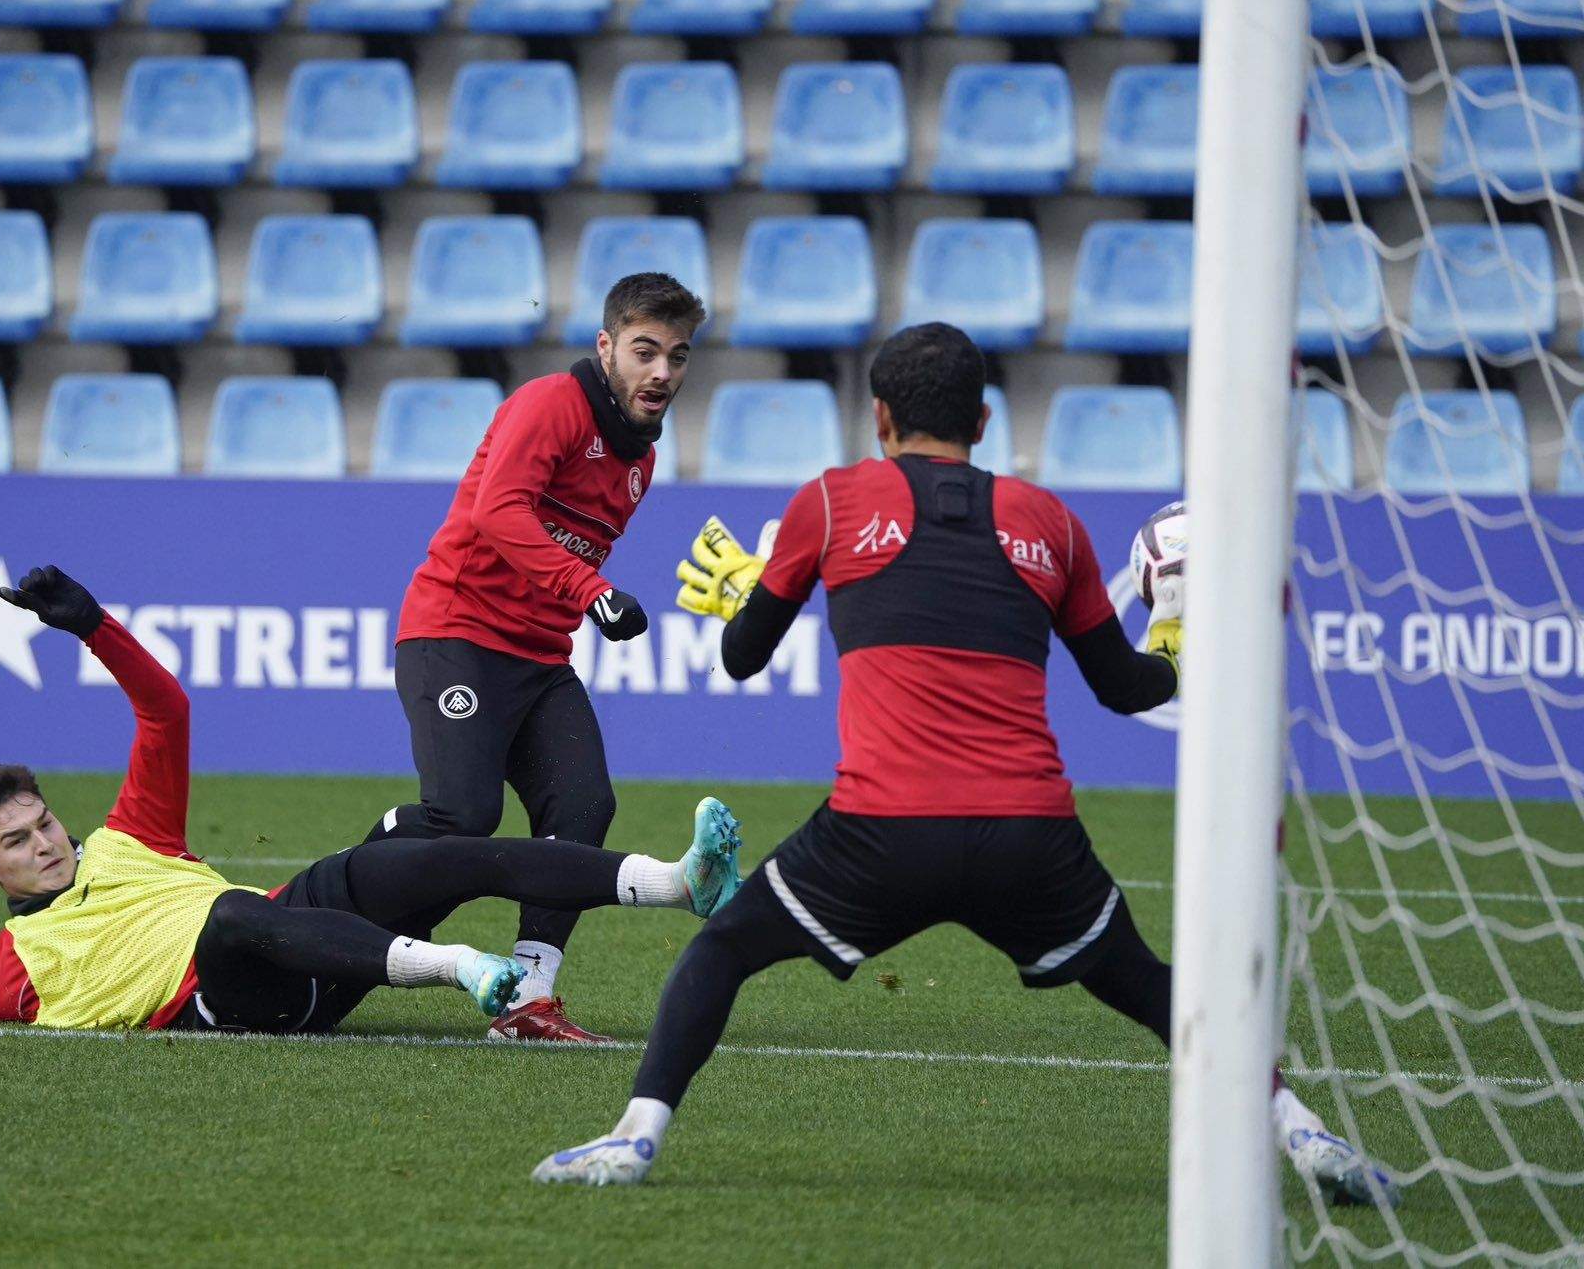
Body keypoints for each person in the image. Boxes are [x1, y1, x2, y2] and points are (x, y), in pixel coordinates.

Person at [533, 323, 1398, 1210]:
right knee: (1153, 987)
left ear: (878, 417)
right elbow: (1128, 689)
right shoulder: (1049, 523)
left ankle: (634, 1140)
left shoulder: (829, 503)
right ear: (984, 421)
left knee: (719, 952)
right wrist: (1174, 632)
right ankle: (1303, 1131)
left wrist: (753, 597)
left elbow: (745, 657)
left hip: (879, 833)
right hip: (1027, 835)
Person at [0, 565, 746, 1036]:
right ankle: (464, 974)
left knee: (441, 844)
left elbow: (165, 716)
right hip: (241, 995)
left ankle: (667, 882)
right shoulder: (12, 975)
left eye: (43, 819)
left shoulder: (124, 835)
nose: (46, 840)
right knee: (226, 919)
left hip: (307, 926)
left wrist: (94, 626)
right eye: (17, 840)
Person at [369, 272, 706, 1043]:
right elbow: (497, 512)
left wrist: (579, 598)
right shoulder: (553, 403)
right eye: (645, 350)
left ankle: (527, 996)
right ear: (606, 345)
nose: (662, 373)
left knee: (584, 807)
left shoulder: (639, 459)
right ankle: (353, 873)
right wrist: (590, 590)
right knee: (464, 813)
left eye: (678, 357)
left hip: (537, 657)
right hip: (453, 632)